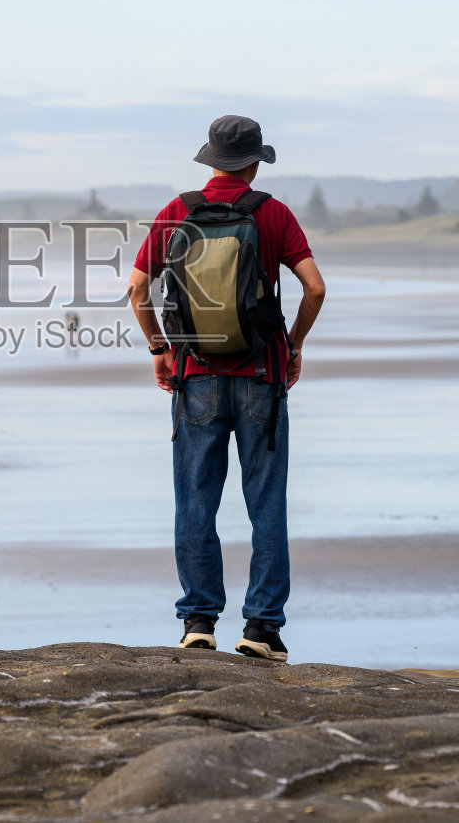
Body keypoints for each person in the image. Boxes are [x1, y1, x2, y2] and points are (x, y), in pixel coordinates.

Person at [126, 115, 326, 663]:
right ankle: (261, 628)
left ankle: (198, 622)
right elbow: (314, 287)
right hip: (262, 378)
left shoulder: (177, 212)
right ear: (256, 162)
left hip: (197, 380)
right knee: (267, 506)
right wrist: (294, 343)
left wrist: (160, 349)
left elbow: (137, 287)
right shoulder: (273, 213)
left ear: (210, 160)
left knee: (195, 502)